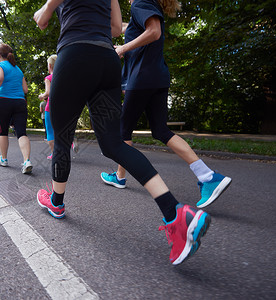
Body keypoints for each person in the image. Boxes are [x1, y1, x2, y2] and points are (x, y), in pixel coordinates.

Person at [34, 0, 211, 265]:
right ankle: (175, 212)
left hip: (74, 55)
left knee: (62, 138)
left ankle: (56, 203)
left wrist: (46, 10)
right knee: (114, 143)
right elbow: (116, 28)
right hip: (106, 61)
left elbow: (42, 19)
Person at [100, 0, 231, 209]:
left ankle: (120, 177)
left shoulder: (140, 3)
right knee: (160, 130)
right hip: (157, 77)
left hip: (142, 79)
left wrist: (123, 47)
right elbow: (128, 28)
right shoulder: (146, 7)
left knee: (122, 132)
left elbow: (154, 31)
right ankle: (207, 176)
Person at [0, 43, 33, 174]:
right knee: (21, 132)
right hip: (20, 102)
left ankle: (4, 159)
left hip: (4, 101)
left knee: (3, 131)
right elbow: (25, 90)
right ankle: (27, 161)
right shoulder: (18, 69)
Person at [39, 54, 57, 159]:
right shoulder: (64, 76)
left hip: (51, 108)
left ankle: (54, 154)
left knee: (50, 131)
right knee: (60, 130)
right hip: (63, 107)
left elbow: (48, 93)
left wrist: (42, 96)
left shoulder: (49, 78)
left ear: (49, 66)